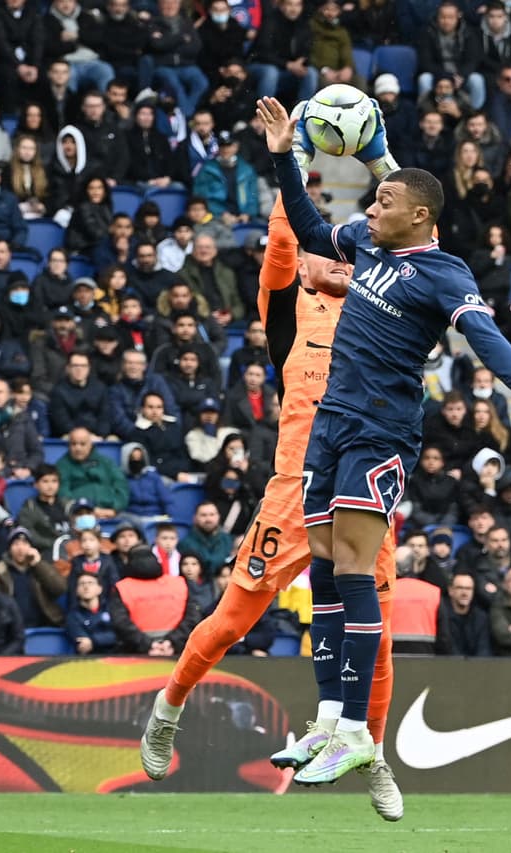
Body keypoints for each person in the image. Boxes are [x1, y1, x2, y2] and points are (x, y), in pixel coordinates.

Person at [255, 96, 511, 784]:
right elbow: (309, 228)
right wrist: (283, 157)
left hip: (380, 432)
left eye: (384, 200)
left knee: (355, 570)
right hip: (331, 424)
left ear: (419, 214)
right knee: (324, 571)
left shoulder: (445, 273)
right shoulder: (366, 244)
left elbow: (485, 337)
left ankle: (358, 732)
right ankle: (328, 719)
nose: (371, 207)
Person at [140, 187, 405, 816]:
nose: (339, 258)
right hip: (294, 491)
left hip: (362, 488)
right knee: (232, 622)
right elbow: (283, 246)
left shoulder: (381, 308)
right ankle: (166, 710)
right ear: (306, 267)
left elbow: (419, 243)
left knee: (379, 638)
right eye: (325, 251)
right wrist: (293, 162)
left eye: (346, 253)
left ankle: (372, 753)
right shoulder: (290, 311)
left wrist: (384, 166)